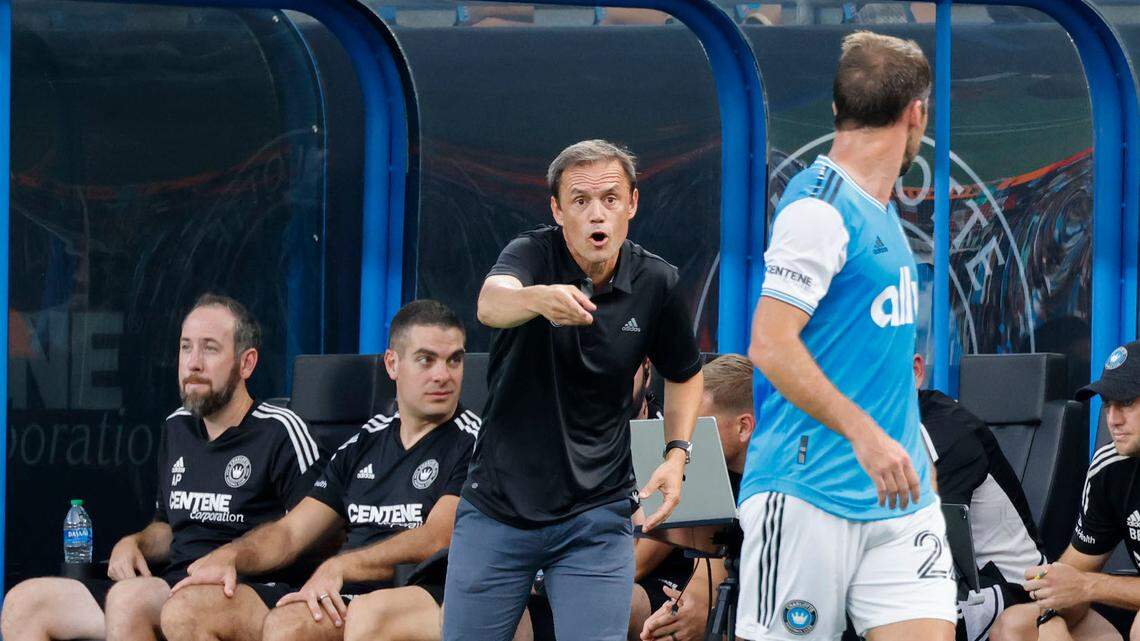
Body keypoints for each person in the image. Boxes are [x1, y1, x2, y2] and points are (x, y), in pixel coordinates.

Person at [442, 139, 704, 641]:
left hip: (595, 515)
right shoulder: (530, 255)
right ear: (558, 211)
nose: (596, 214)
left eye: (609, 198)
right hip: (498, 507)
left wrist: (677, 454)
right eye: (580, 201)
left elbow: (686, 372)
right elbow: (490, 304)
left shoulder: (656, 282)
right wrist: (538, 298)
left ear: (631, 204)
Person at [740, 31, 955, 641]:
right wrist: (864, 432)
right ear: (918, 114)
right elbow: (771, 343)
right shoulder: (818, 210)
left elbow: (876, 366)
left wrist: (916, 457)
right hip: (810, 492)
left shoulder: (877, 205)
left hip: (900, 499)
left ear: (837, 109)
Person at [0, 294, 323, 641]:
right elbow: (168, 526)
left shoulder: (280, 430)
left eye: (210, 349)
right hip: (172, 583)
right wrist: (134, 542)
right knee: (24, 603)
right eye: (186, 348)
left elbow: (314, 535)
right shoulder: (177, 426)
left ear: (246, 364)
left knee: (129, 600)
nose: (193, 363)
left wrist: (238, 556)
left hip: (244, 591)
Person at [163, 300, 490, 641]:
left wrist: (340, 566)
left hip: (416, 596)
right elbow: (291, 533)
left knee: (291, 627)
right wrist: (231, 556)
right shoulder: (363, 443)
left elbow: (438, 537)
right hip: (342, 595)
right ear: (392, 364)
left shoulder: (474, 441)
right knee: (187, 610)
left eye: (454, 360)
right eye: (426, 359)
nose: (443, 375)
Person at [989, 341, 1140, 641]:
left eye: (1126, 403)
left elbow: (1081, 582)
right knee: (1014, 626)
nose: (1113, 419)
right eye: (1108, 404)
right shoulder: (1110, 467)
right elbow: (1067, 574)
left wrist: (1086, 586)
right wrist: (1051, 613)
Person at [914, 354, 1047, 641]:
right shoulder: (868, 432)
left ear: (916, 372)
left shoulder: (943, 432)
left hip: (1014, 590)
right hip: (960, 581)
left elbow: (923, 545)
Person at [635, 354, 754, 641]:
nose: (685, 440)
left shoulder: (778, 493)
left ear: (743, 427)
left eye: (698, 426)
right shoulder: (708, 474)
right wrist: (684, 612)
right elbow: (707, 571)